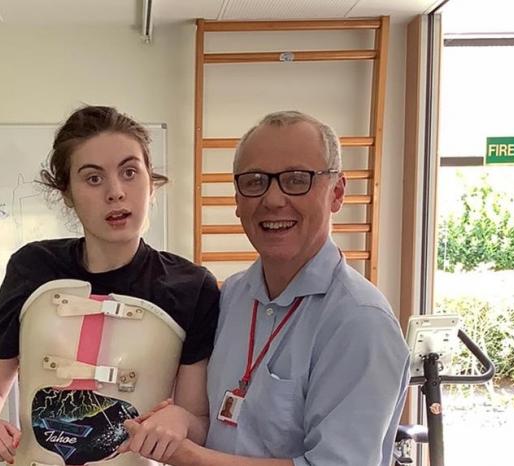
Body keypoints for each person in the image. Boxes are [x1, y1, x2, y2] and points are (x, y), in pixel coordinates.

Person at [126, 110, 410, 466]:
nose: (273, 200)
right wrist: (180, 420)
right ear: (237, 198)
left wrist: (191, 458)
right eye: (255, 181)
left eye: (296, 179)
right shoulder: (232, 296)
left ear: (336, 193)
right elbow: (218, 421)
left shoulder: (361, 322)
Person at [0, 105, 220, 464]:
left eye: (130, 172)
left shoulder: (192, 286)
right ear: (66, 193)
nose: (116, 192)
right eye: (93, 178)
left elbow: (197, 419)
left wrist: (181, 419)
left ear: (151, 183)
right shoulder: (31, 267)